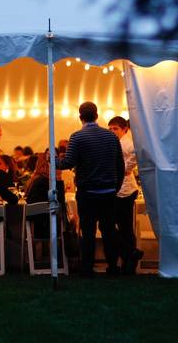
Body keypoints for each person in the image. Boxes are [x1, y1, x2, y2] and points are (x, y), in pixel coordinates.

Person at [56, 102, 124, 275]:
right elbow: (120, 165)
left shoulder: (77, 137)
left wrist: (53, 161)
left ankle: (87, 268)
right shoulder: (111, 137)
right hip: (108, 192)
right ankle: (113, 266)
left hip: (87, 193)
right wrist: (115, 187)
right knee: (109, 231)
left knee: (88, 232)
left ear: (80, 117)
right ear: (97, 115)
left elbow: (68, 163)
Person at [109, 116, 143, 274]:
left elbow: (138, 153)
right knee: (121, 227)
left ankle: (128, 258)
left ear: (125, 129)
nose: (112, 131)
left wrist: (126, 168)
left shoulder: (126, 142)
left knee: (122, 227)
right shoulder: (119, 142)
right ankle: (129, 257)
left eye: (115, 128)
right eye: (110, 129)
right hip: (121, 189)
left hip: (125, 190)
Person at [25, 151, 66, 238]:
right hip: (50, 227)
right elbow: (61, 205)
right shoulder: (52, 183)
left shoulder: (34, 180)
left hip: (34, 226)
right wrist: (59, 180)